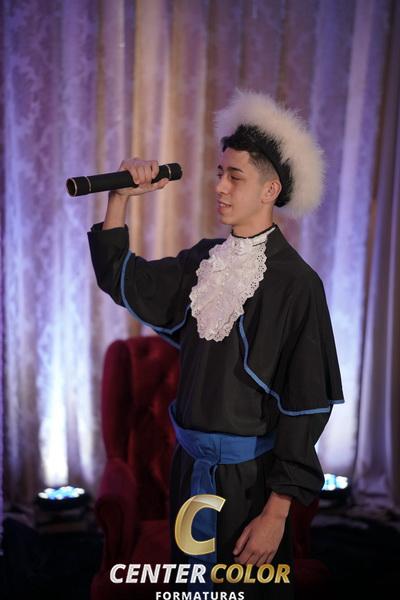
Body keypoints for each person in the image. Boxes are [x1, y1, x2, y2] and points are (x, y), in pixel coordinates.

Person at [87, 89, 345, 599]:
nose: (220, 186)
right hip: (189, 475)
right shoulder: (203, 261)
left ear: (270, 189)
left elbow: (307, 407)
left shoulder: (297, 285)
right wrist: (120, 197)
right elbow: (120, 277)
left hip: (251, 484)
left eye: (235, 176)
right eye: (219, 172)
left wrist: (276, 514)